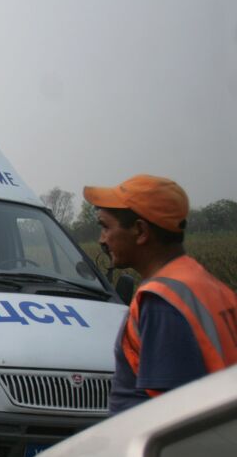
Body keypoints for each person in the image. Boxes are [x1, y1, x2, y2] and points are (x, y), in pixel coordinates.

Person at [83, 176, 237, 414]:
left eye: (106, 227)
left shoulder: (161, 301)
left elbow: (169, 414)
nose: (101, 239)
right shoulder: (208, 285)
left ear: (140, 231)